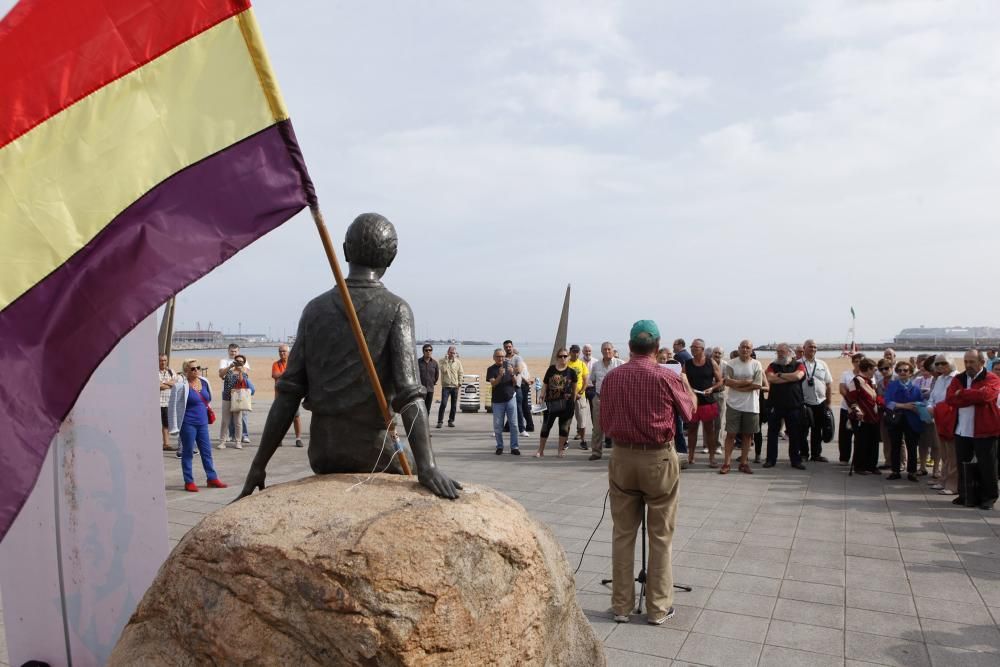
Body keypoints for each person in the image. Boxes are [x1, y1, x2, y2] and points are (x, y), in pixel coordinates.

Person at [237, 213, 461, 501]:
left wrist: (259, 465)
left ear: (345, 251)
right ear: (391, 258)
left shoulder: (314, 310)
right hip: (374, 452)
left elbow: (288, 394)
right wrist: (428, 467)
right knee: (415, 467)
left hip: (323, 452)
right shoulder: (396, 310)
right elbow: (410, 395)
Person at [600, 320, 695, 625]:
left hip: (622, 457)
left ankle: (621, 606)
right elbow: (690, 412)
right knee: (660, 536)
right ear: (657, 347)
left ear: (629, 346)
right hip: (657, 459)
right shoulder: (666, 377)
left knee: (623, 534)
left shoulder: (612, 377)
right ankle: (657, 607)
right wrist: (686, 382)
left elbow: (603, 420)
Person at [946, 349, 1000, 510]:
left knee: (987, 465)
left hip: (985, 429)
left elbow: (986, 397)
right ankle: (965, 494)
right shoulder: (959, 378)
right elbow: (950, 399)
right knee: (963, 463)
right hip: (962, 429)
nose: (968, 365)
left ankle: (988, 497)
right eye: (966, 361)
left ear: (982, 362)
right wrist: (972, 396)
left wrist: (961, 394)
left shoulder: (992, 378)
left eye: (972, 362)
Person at [168, 359, 227, 492]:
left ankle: (212, 478)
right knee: (187, 452)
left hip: (202, 423)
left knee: (207, 452)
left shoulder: (204, 382)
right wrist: (174, 427)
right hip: (187, 423)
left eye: (197, 367)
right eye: (192, 369)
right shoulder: (181, 385)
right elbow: (173, 406)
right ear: (186, 371)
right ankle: (188, 481)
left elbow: (208, 398)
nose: (196, 370)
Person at [720, 340, 763, 474]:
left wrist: (737, 384)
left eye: (748, 348)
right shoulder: (731, 364)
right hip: (734, 404)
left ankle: (744, 463)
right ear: (738, 349)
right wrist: (747, 383)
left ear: (751, 350)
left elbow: (757, 385)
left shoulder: (756, 364)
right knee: (731, 434)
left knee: (747, 436)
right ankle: (726, 463)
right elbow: (727, 382)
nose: (745, 350)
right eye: (743, 347)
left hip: (751, 406)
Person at [764, 343, 807, 470]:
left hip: (794, 405)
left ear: (789, 352)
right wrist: (789, 378)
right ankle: (771, 460)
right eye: (777, 351)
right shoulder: (773, 365)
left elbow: (798, 376)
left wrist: (780, 375)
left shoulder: (798, 364)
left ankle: (795, 460)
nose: (779, 353)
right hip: (775, 405)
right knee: (772, 433)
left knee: (794, 434)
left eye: (782, 351)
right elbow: (770, 379)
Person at [684, 339, 723, 468]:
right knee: (692, 430)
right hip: (692, 402)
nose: (693, 349)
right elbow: (682, 380)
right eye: (692, 347)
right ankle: (691, 456)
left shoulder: (710, 362)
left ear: (702, 349)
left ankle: (712, 458)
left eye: (695, 347)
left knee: (709, 431)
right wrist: (688, 391)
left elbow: (720, 381)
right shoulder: (687, 363)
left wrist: (712, 388)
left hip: (708, 402)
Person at [883, 360, 924, 481]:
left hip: (912, 419)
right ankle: (895, 471)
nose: (902, 372)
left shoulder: (916, 387)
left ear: (911, 372)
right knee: (895, 445)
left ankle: (912, 472)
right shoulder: (892, 385)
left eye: (905, 370)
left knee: (912, 446)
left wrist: (916, 405)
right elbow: (888, 403)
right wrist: (904, 406)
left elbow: (921, 402)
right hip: (896, 419)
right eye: (900, 370)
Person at [533, 348, 578, 458]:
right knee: (545, 427)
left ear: (568, 357)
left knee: (563, 428)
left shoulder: (572, 372)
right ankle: (540, 450)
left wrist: (573, 403)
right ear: (557, 357)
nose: (563, 358)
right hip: (550, 404)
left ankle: (560, 450)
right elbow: (545, 384)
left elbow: (574, 389)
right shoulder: (551, 369)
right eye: (561, 356)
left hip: (566, 405)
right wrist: (541, 396)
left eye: (565, 356)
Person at [587, 341, 623, 460]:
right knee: (597, 427)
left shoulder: (620, 364)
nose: (607, 351)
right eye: (604, 349)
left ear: (613, 350)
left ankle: (619, 453)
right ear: (601, 351)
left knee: (617, 427)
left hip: (615, 400)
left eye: (609, 349)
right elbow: (592, 380)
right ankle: (596, 452)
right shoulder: (596, 365)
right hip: (599, 399)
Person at [928, 354, 958, 496]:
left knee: (952, 454)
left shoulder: (957, 378)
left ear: (950, 363)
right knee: (943, 452)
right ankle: (943, 480)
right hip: (938, 417)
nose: (940, 366)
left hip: (951, 417)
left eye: (943, 363)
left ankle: (952, 484)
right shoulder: (940, 378)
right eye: (938, 364)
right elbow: (932, 397)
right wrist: (930, 406)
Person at [846, 359, 881, 474]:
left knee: (873, 442)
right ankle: (860, 466)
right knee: (862, 442)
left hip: (873, 417)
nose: (874, 372)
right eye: (873, 370)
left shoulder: (869, 381)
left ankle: (871, 465)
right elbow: (851, 399)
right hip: (862, 418)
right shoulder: (856, 381)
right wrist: (857, 410)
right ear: (868, 369)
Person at [800, 339, 833, 462]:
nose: (813, 349)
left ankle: (816, 454)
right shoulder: (797, 364)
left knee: (818, 429)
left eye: (814, 347)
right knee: (803, 429)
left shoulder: (822, 364)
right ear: (804, 348)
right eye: (810, 347)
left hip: (820, 402)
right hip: (803, 402)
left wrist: (828, 402)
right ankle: (803, 453)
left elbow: (828, 384)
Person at [487, 348, 520, 455]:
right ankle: (499, 446)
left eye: (502, 356)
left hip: (511, 399)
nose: (500, 358)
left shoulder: (509, 367)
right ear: (494, 357)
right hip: (497, 402)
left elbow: (515, 383)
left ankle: (514, 447)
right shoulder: (491, 369)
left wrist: (512, 374)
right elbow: (493, 384)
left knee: (514, 424)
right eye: (498, 356)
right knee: (498, 425)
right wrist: (500, 375)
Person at [219, 355, 255, 450]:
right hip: (227, 398)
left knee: (238, 422)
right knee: (225, 421)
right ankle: (222, 441)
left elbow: (241, 381)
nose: (239, 362)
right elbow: (221, 375)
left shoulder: (244, 372)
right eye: (237, 361)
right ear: (234, 361)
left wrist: (240, 370)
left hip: (238, 399)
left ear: (243, 363)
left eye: (241, 362)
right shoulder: (229, 370)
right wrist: (230, 366)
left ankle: (238, 442)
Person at [272, 344, 304, 447]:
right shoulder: (276, 364)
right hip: (279, 396)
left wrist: (284, 373)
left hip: (293, 395)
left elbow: (298, 376)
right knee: (279, 419)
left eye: (284, 351)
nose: (282, 353)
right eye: (280, 351)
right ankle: (279, 439)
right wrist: (288, 372)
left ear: (288, 352)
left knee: (296, 417)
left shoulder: (293, 364)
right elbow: (275, 375)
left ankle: (298, 438)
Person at [838, 353, 865, 464]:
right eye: (856, 361)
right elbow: (842, 389)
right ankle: (844, 457)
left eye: (861, 361)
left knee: (860, 435)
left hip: (862, 410)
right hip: (847, 408)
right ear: (853, 362)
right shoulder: (846, 374)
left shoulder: (868, 375)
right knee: (845, 434)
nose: (858, 363)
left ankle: (858, 459)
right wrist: (851, 402)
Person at [566, 344, 590, 446]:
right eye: (573, 352)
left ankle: (583, 440)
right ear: (570, 352)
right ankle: (564, 441)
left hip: (581, 396)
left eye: (577, 352)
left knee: (582, 420)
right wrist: (571, 393)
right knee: (567, 420)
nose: (575, 354)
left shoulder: (581, 364)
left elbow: (586, 380)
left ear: (579, 353)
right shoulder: (566, 364)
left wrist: (581, 392)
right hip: (568, 397)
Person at [437, 345, 464, 428]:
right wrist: (446, 361)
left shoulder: (458, 362)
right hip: (446, 386)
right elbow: (443, 370)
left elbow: (461, 373)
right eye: (451, 352)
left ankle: (451, 421)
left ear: (456, 353)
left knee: (454, 405)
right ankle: (440, 421)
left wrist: (460, 383)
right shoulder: (442, 361)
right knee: (443, 404)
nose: (452, 354)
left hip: (455, 386)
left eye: (454, 353)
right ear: (448, 352)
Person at [159, 354, 178, 452]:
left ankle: (166, 444)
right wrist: (169, 383)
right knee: (160, 424)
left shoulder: (171, 371)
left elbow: (175, 383)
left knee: (166, 424)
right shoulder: (154, 372)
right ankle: (163, 443)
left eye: (164, 360)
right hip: (158, 402)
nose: (163, 362)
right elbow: (157, 385)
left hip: (168, 402)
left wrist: (163, 382)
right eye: (161, 360)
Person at [417, 344, 439, 416]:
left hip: (430, 389)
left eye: (430, 350)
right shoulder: (418, 362)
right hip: (420, 389)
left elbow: (437, 375)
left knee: (427, 408)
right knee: (419, 408)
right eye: (426, 350)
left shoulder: (435, 363)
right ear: (423, 351)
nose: (428, 351)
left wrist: (433, 382)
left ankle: (426, 423)